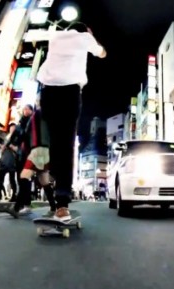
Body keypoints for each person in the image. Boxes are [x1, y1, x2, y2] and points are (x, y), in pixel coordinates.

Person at [36, 22, 106, 222]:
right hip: (68, 93)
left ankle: (55, 175)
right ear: (86, 31)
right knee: (66, 144)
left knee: (55, 141)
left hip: (47, 93)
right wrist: (91, 38)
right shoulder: (84, 37)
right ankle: (62, 203)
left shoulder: (56, 36)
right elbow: (102, 53)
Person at [8, 107, 57, 218]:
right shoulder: (45, 115)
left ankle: (16, 208)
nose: (25, 111)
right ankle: (54, 208)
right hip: (44, 149)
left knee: (24, 176)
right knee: (44, 180)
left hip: (38, 149)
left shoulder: (37, 115)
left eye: (27, 108)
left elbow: (26, 134)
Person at [0, 123, 18, 202]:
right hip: (4, 159)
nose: (12, 129)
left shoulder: (17, 137)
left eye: (13, 127)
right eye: (11, 127)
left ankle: (14, 195)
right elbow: (2, 148)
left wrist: (10, 146)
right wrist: (2, 148)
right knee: (0, 178)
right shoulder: (6, 137)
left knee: (12, 179)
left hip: (12, 160)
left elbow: (18, 149)